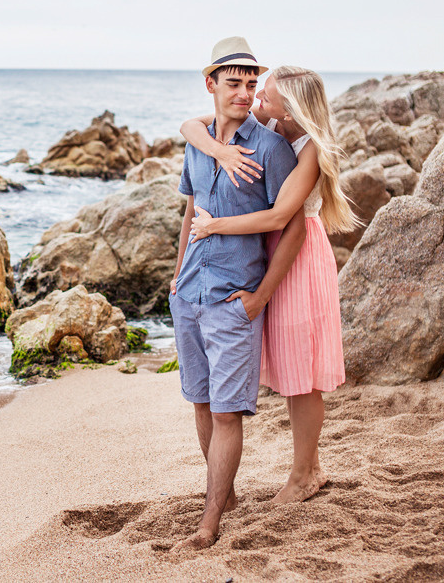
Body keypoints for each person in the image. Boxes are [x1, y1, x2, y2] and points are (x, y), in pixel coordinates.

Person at [179, 65, 358, 504]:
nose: (255, 101)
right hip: (262, 252)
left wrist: (215, 225)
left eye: (266, 97)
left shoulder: (311, 149)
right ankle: (308, 467)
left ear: (291, 108)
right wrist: (218, 152)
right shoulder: (270, 126)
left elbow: (281, 218)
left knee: (303, 372)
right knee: (288, 366)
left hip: (297, 255)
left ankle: (305, 472)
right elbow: (190, 125)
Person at [169, 37, 306, 550]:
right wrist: (176, 275)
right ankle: (221, 496)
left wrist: (261, 297)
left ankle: (209, 523)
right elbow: (191, 209)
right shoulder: (198, 140)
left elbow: (291, 226)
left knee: (228, 411)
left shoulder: (270, 148)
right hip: (189, 294)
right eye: (234, 84)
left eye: (252, 85)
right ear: (211, 85)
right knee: (201, 402)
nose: (245, 94)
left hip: (233, 298)